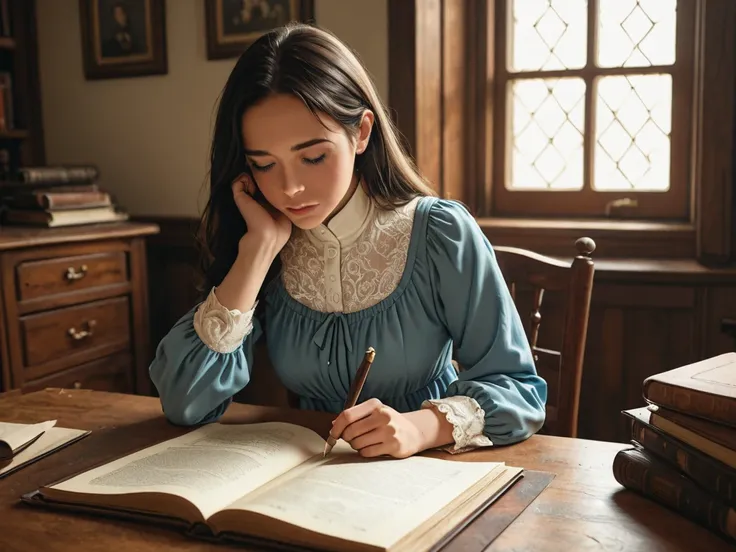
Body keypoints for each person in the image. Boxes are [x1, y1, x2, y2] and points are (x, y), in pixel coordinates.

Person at [149, 23, 547, 459]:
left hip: (428, 472)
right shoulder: (268, 240)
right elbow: (185, 403)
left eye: (313, 156)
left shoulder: (440, 233)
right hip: (305, 474)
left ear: (361, 133)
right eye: (264, 165)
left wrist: (419, 427)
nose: (289, 188)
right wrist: (258, 250)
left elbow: (520, 390)